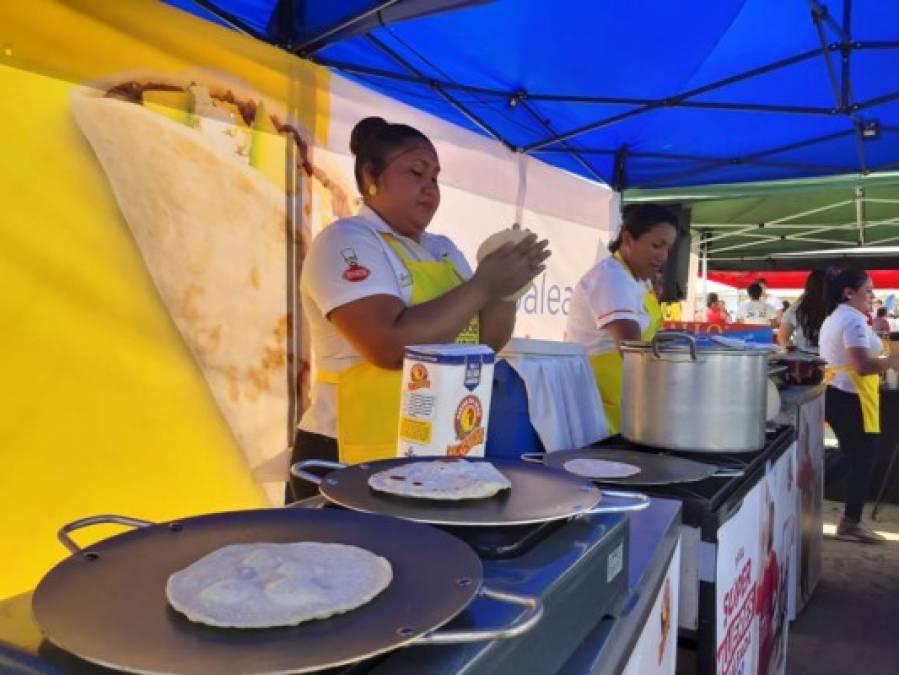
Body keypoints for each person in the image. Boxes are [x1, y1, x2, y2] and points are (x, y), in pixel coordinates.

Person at [289, 116, 550, 500]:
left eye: (435, 177)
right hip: (350, 450)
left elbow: (484, 345)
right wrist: (483, 284)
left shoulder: (442, 248)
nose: (430, 188)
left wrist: (506, 292)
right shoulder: (347, 240)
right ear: (370, 176)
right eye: (416, 172)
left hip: (436, 447)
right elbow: (388, 346)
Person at [566, 204, 677, 434]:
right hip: (602, 409)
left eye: (668, 249)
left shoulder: (637, 280)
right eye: (656, 245)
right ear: (628, 239)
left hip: (625, 402)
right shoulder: (611, 279)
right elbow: (633, 351)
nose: (663, 257)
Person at [819, 267, 899, 542]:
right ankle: (850, 519)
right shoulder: (852, 322)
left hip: (841, 393)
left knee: (856, 455)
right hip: (851, 397)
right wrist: (892, 362)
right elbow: (863, 366)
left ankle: (815, 493)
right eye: (868, 290)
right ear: (848, 292)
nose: (872, 295)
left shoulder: (839, 317)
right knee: (861, 456)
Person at [778, 270, 827, 350]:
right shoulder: (838, 309)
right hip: (831, 358)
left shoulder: (795, 308)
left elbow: (783, 337)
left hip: (802, 357)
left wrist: (793, 352)